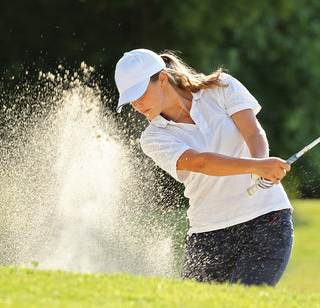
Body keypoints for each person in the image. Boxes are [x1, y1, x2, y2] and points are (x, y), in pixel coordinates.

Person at [114, 48, 293, 286]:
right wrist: (256, 166)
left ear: (163, 79)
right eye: (130, 100)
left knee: (245, 302)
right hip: (208, 235)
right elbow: (200, 162)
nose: (136, 105)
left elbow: (253, 132)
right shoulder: (153, 137)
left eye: (140, 94)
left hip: (265, 221)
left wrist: (259, 166)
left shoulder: (222, 87)